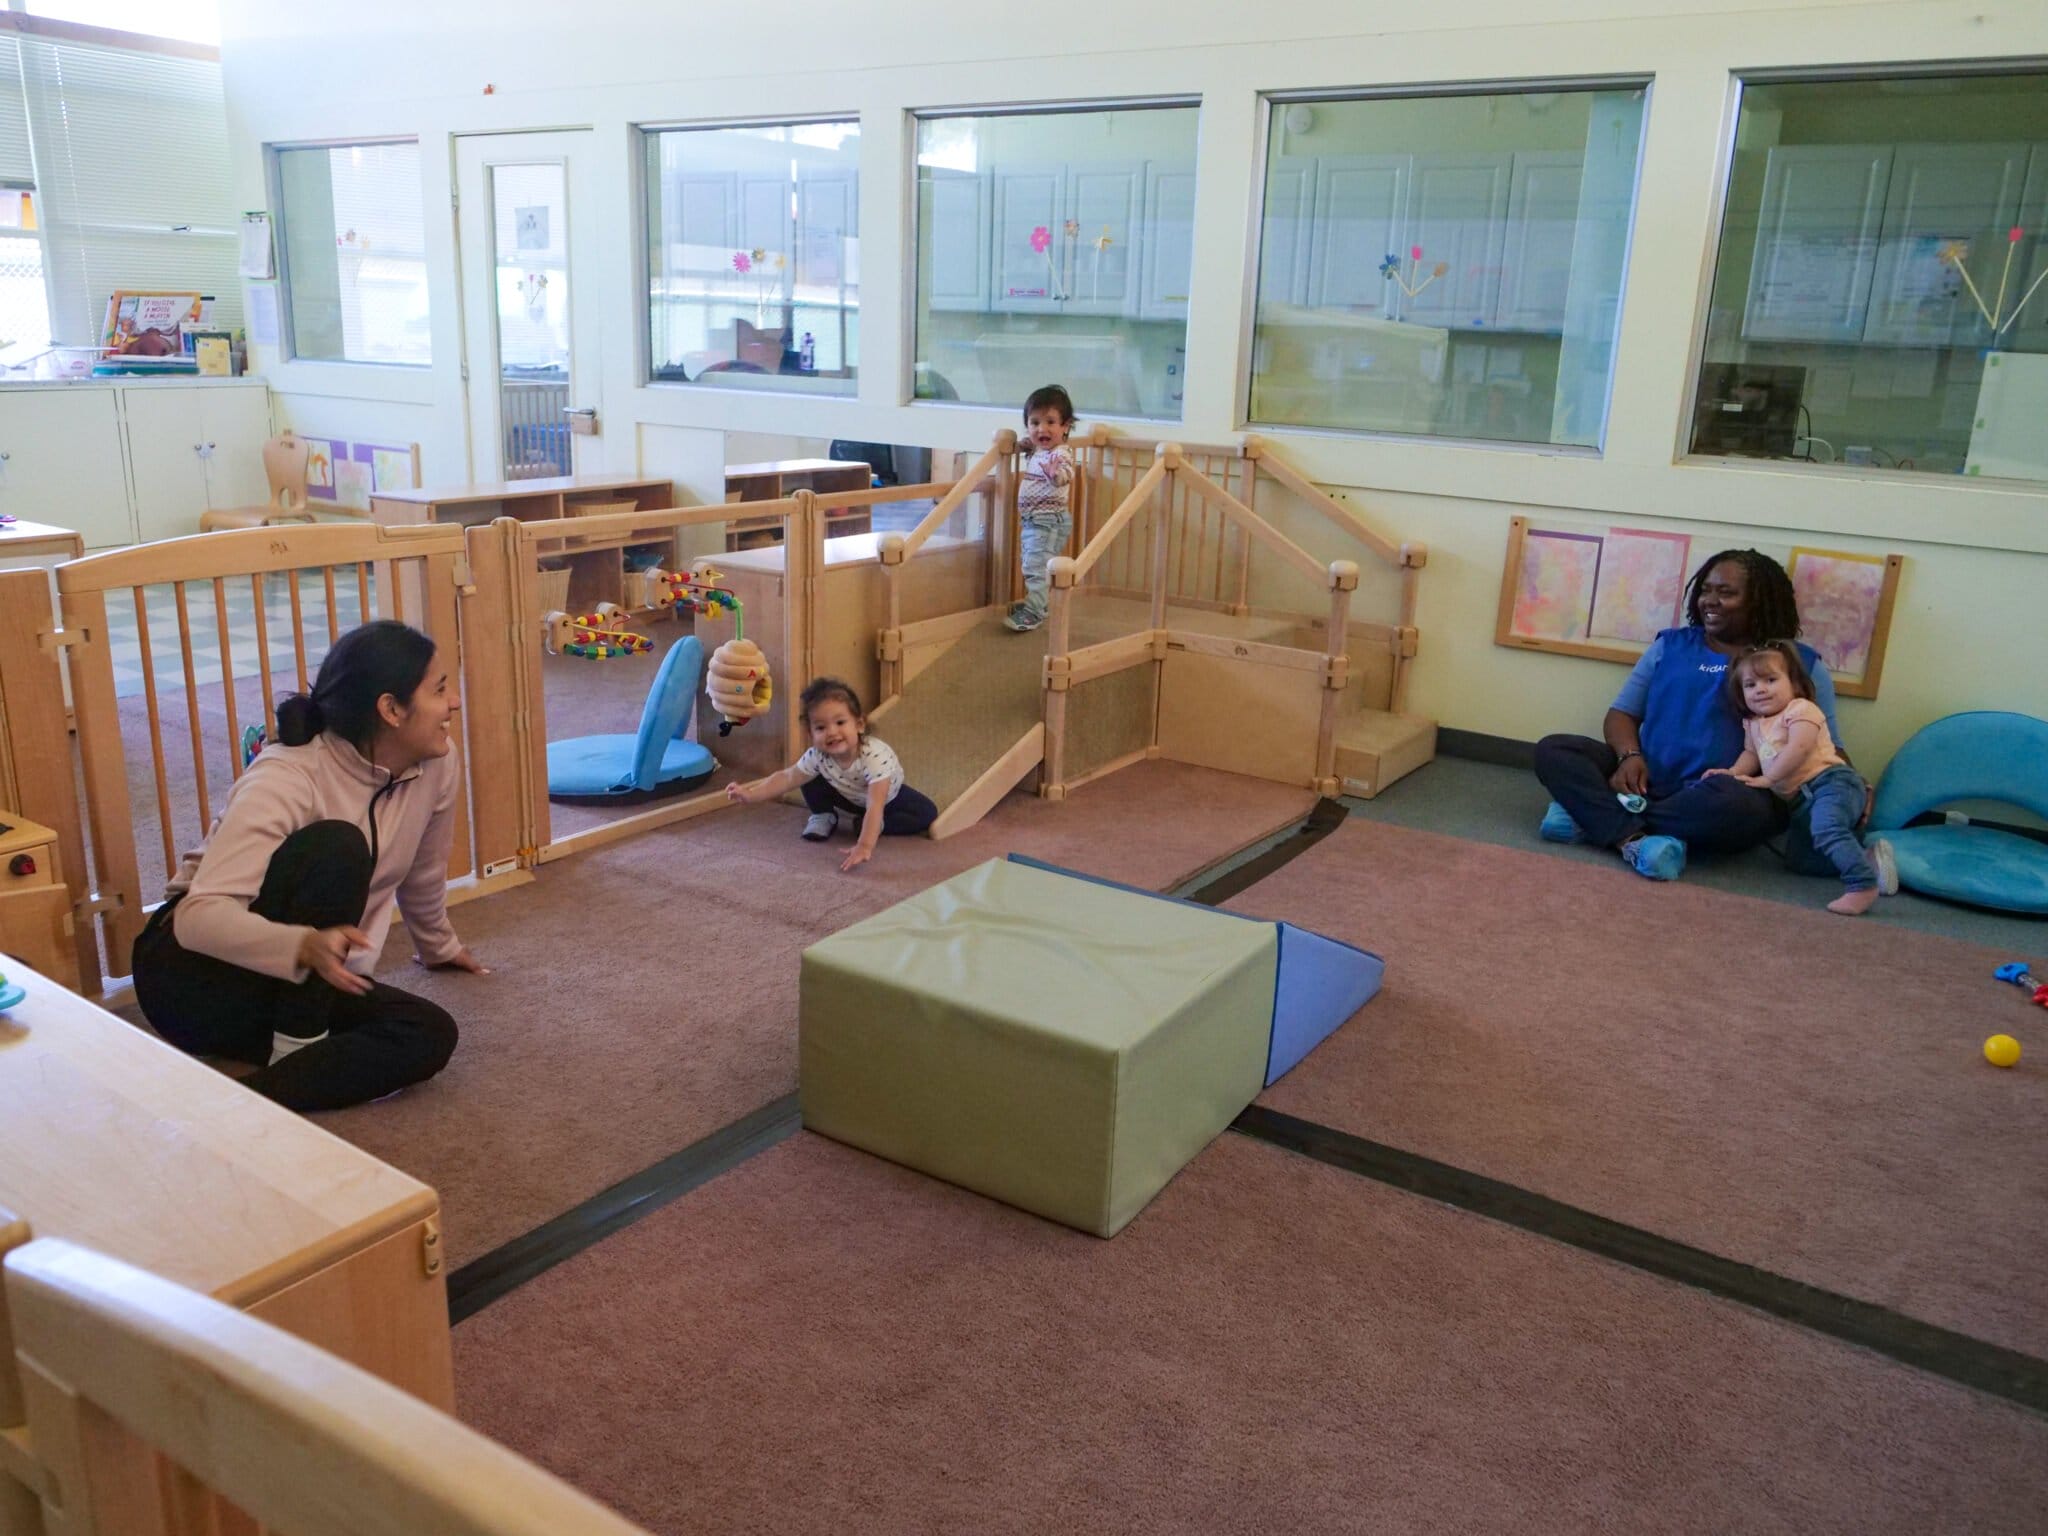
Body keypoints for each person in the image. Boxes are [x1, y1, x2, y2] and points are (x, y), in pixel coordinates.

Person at [131, 621, 482, 1112]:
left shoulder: (438, 762)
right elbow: (199, 917)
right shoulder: (288, 775)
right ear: (391, 709)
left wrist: (439, 947)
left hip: (297, 983)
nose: (454, 704)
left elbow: (424, 871)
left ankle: (231, 1104)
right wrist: (302, 946)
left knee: (428, 1032)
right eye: (440, 690)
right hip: (191, 977)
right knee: (338, 846)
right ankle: (299, 1048)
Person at [1532, 548, 1843, 882]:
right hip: (1646, 778)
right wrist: (1629, 757)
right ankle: (1633, 840)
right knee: (1555, 750)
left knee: (1739, 809)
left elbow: (1828, 746)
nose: (1709, 600)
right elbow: (1622, 714)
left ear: (1759, 601)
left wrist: (1850, 790)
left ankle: (1595, 820)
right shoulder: (1670, 645)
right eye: (1706, 590)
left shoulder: (1800, 663)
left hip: (1725, 792)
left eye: (1726, 593)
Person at [1706, 641, 1896, 915]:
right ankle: (1868, 858)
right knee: (1799, 861)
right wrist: (1734, 773)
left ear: (1794, 683)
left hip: (1832, 783)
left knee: (1826, 828)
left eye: (1770, 680)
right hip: (1800, 800)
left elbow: (1800, 747)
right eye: (1750, 685)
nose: (1760, 689)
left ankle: (1862, 884)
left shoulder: (1801, 710)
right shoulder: (1753, 723)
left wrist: (1769, 779)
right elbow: (1751, 754)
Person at [724, 676, 937, 871]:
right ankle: (823, 815)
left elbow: (875, 804)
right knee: (806, 774)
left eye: (840, 723)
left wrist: (864, 845)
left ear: (859, 724)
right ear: (811, 734)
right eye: (820, 727)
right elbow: (787, 778)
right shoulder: (817, 755)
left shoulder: (874, 756)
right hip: (846, 794)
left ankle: (874, 825)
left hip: (885, 798)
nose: (832, 732)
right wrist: (750, 794)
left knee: (926, 813)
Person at [1003, 383, 1077, 634]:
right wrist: (1026, 446)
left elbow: (1065, 475)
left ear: (1065, 426)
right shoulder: (1041, 450)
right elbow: (1036, 449)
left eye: (1050, 422)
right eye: (1034, 423)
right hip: (1036, 521)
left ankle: (1034, 612)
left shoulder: (1060, 454)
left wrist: (1055, 473)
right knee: (1033, 563)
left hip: (1048, 521)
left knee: (1035, 566)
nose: (1041, 428)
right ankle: (1039, 604)